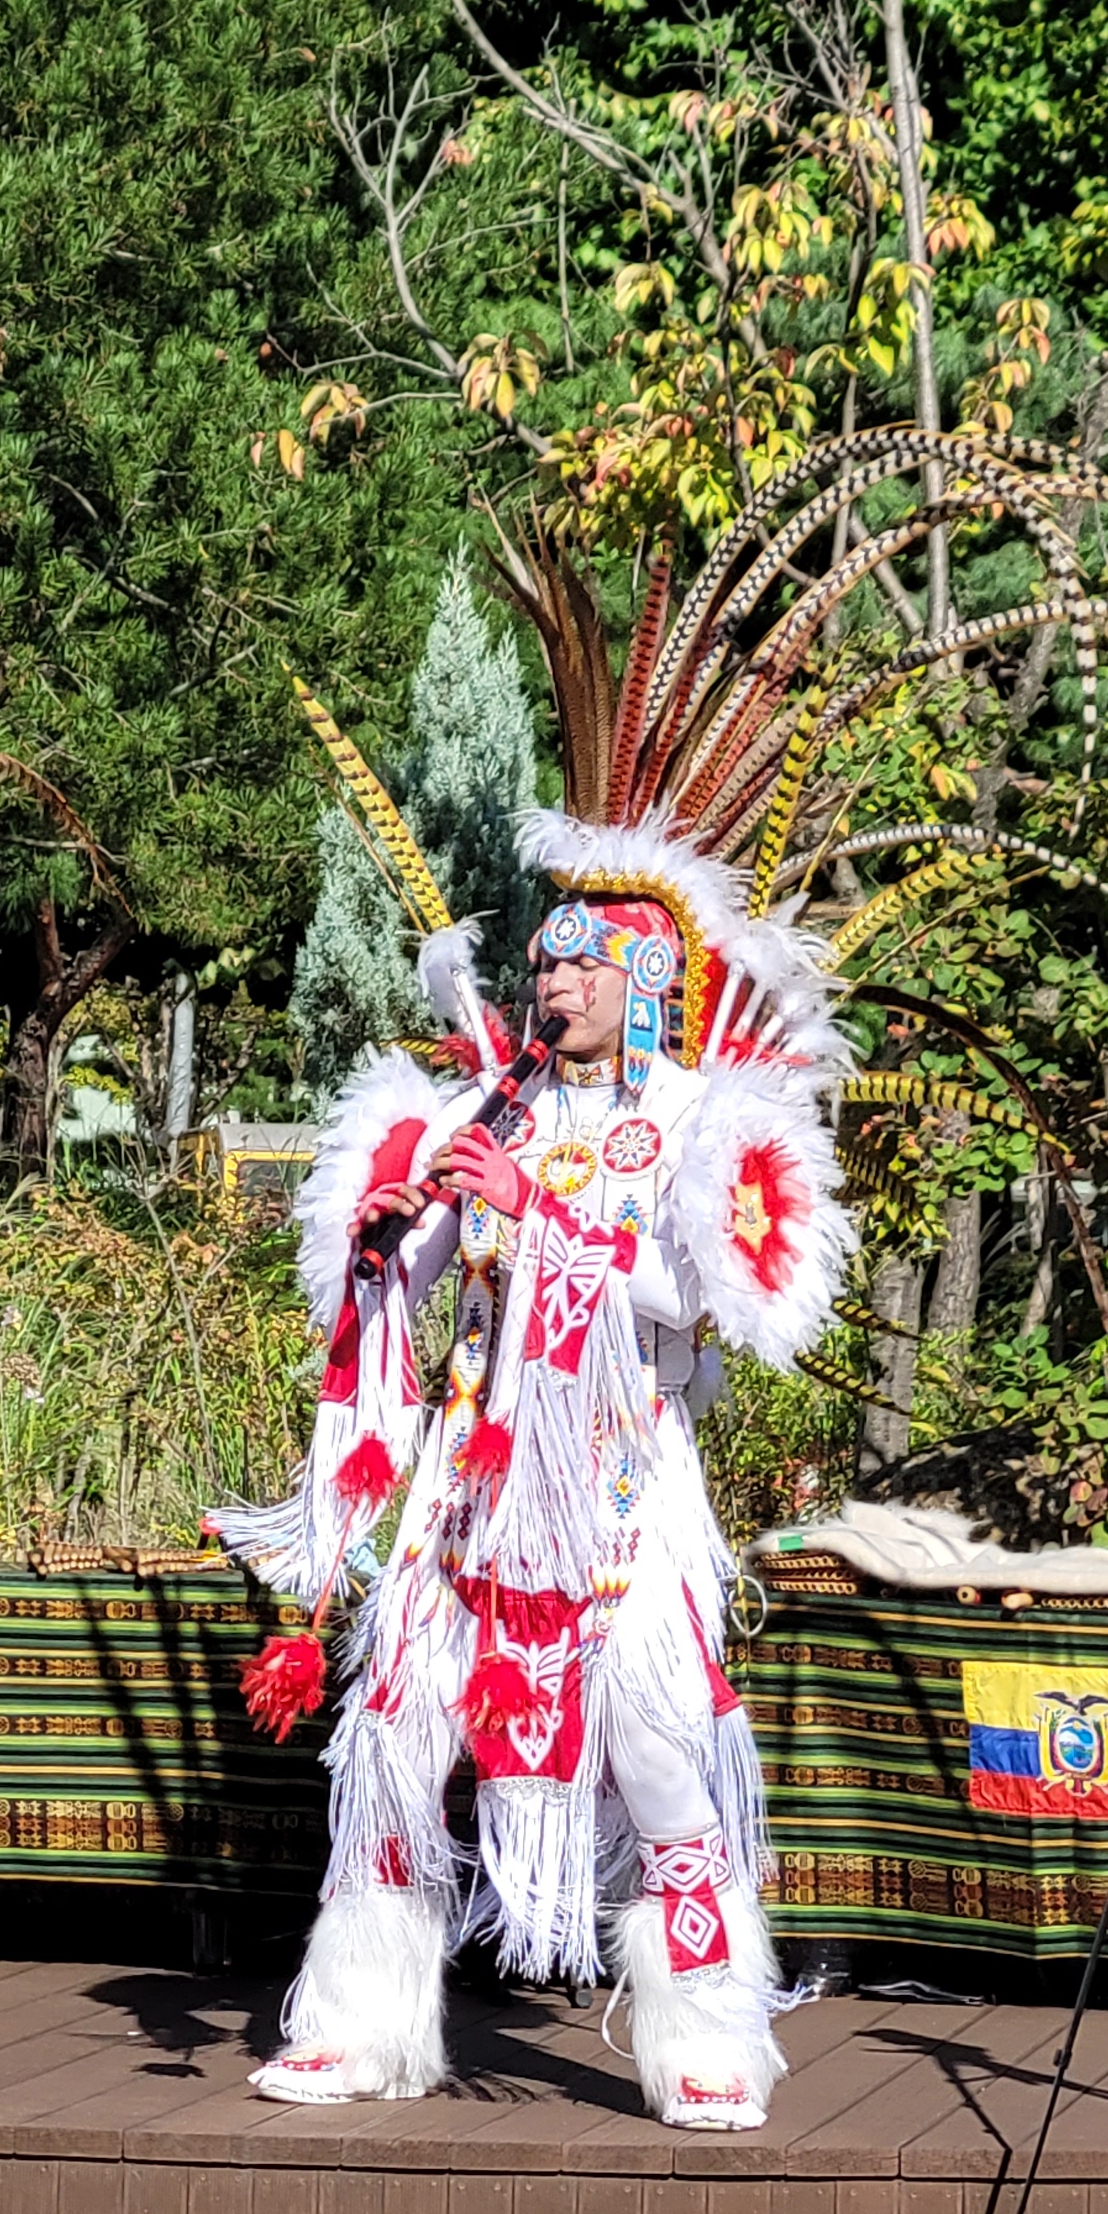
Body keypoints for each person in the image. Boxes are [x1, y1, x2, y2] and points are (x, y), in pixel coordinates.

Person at [216, 716, 851, 2130]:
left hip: (623, 1474)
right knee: (395, 1734)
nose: (552, 981)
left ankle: (706, 2034)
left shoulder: (695, 1120)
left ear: (645, 976)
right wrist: (391, 1242)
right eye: (544, 962)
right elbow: (421, 1286)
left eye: (581, 962)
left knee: (659, 1750)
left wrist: (543, 1216)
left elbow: (694, 1304)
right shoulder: (486, 1106)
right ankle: (356, 2022)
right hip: (471, 1474)